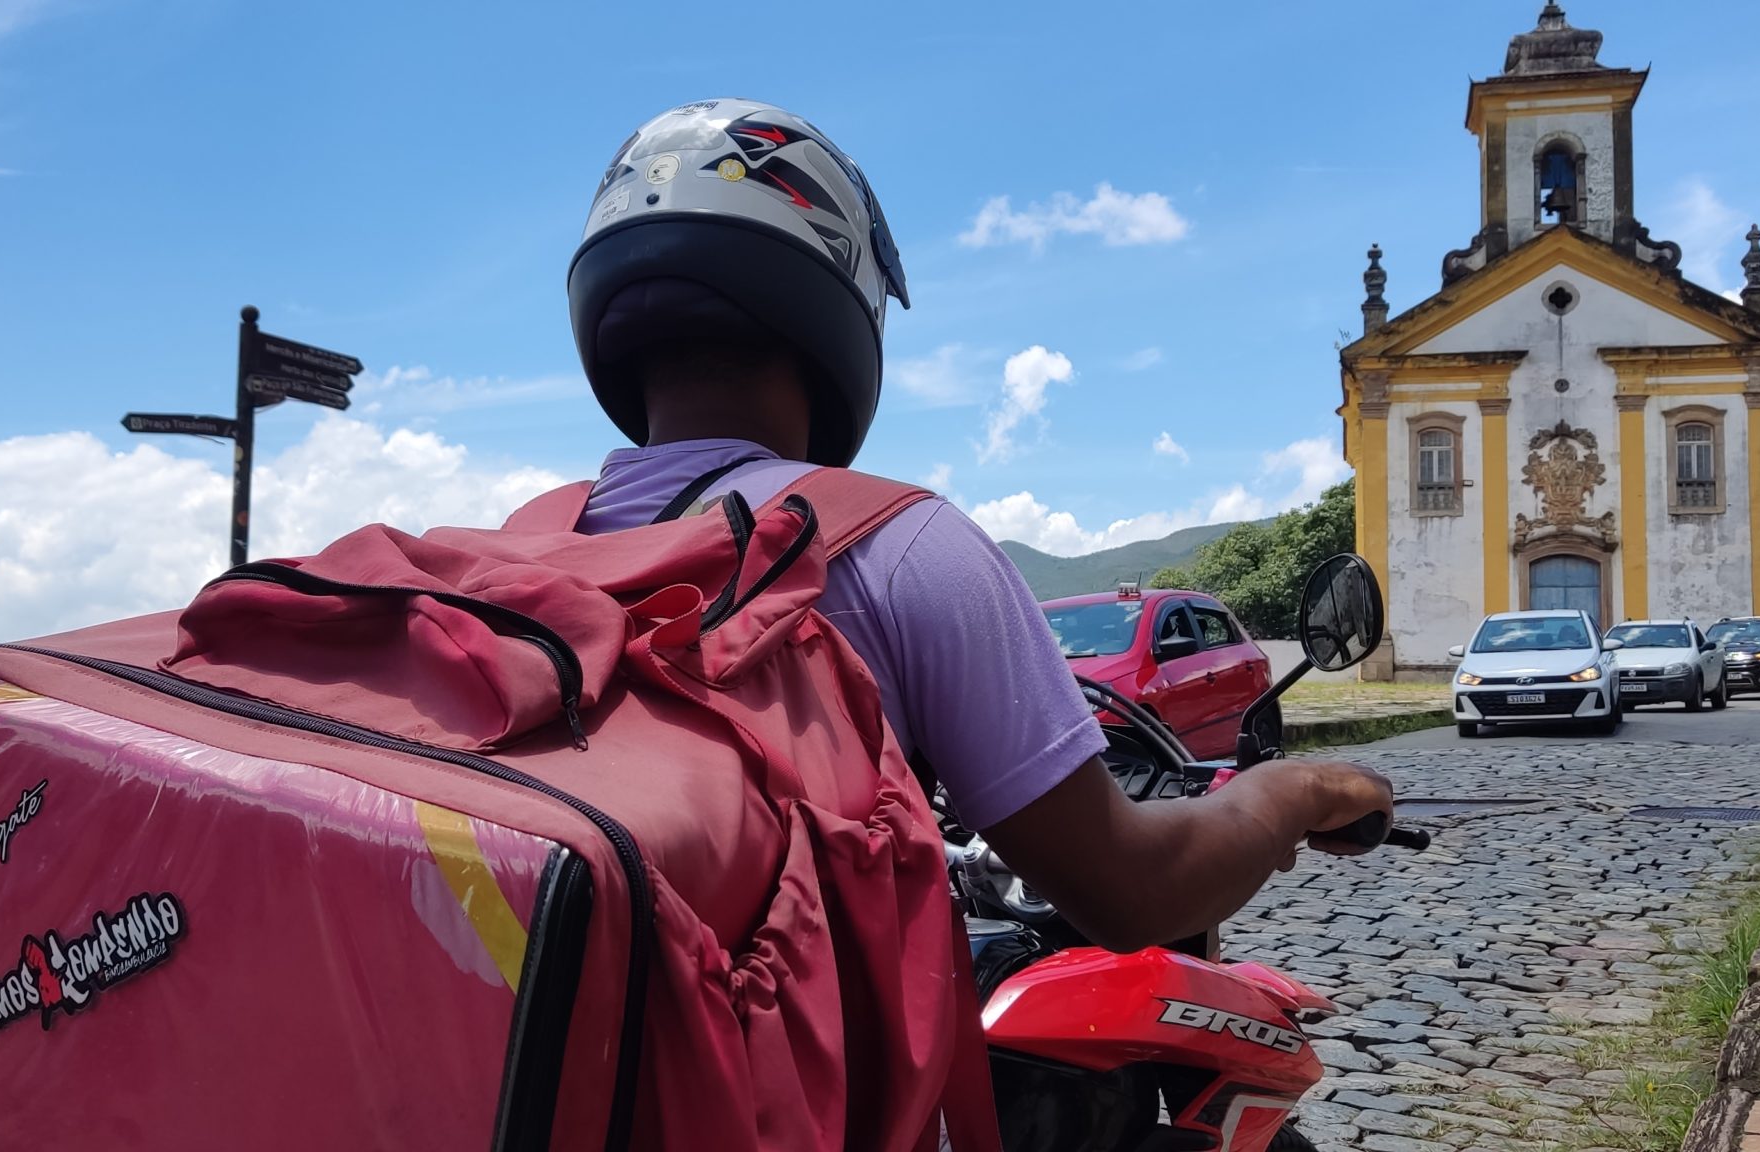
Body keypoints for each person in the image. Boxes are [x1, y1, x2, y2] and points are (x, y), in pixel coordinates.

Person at [559, 98, 1396, 953]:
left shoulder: (528, 549)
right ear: (841, 301)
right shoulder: (899, 545)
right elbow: (1134, 890)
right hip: (794, 1086)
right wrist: (1288, 793)